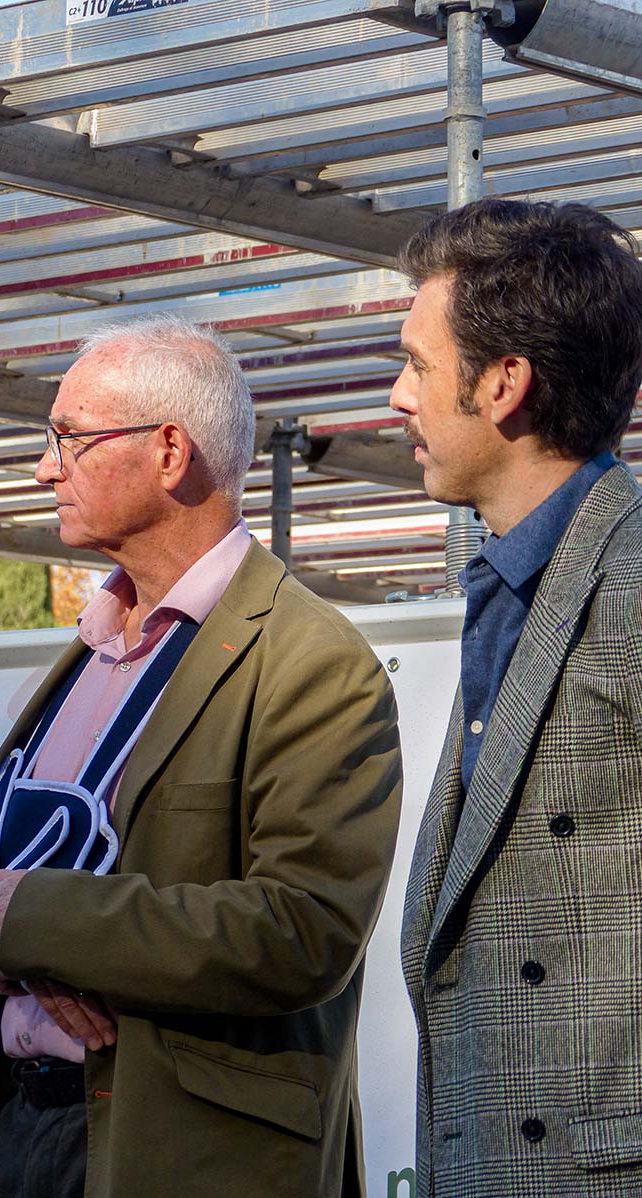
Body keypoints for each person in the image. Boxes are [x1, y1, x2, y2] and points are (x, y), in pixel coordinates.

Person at [0, 314, 402, 1198]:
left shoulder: (311, 662)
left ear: (170, 453)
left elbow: (304, 929)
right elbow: (1, 886)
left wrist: (47, 927)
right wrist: (31, 948)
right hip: (16, 1129)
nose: (44, 468)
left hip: (175, 1153)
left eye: (69, 437)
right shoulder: (97, 644)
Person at [391, 198, 642, 1198]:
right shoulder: (513, 580)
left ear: (504, 384)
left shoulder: (632, 574)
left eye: (416, 365)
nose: (396, 398)